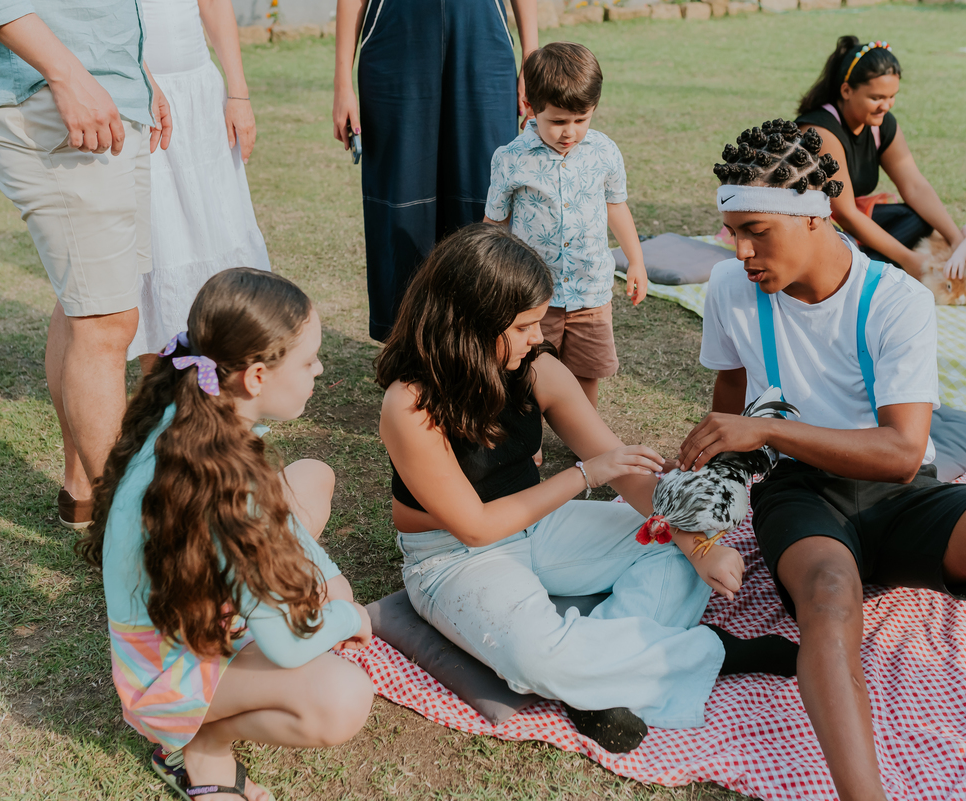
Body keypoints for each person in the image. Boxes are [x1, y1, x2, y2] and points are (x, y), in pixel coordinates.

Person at [686, 119, 966, 801]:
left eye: (758, 230)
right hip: (800, 497)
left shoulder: (893, 298)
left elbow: (903, 454)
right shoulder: (731, 289)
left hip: (897, 490)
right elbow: (726, 422)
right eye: (733, 231)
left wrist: (764, 430)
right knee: (829, 592)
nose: (742, 249)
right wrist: (694, 510)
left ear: (815, 219)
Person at [376, 223, 798, 754]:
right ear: (474, 322)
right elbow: (475, 525)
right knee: (537, 658)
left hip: (539, 525)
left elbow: (625, 474)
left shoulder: (538, 369)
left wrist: (700, 545)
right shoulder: (410, 404)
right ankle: (709, 652)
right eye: (526, 325)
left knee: (673, 547)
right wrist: (583, 474)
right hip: (453, 556)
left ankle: (592, 684)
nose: (539, 336)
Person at [78, 268, 374, 801]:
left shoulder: (195, 415)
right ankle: (194, 745)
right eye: (309, 361)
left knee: (312, 476)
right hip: (166, 675)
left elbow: (277, 520)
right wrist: (350, 615)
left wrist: (330, 577)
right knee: (342, 695)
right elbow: (287, 646)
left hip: (193, 612)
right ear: (256, 377)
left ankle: (210, 706)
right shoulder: (226, 492)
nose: (320, 369)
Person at [0, 0, 171, 530]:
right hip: (48, 85)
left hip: (104, 82)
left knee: (91, 301)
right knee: (105, 319)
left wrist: (137, 76)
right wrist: (68, 74)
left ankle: (84, 492)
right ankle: (130, 541)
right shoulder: (62, 76)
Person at [331, 0, 539, 342]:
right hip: (396, 34)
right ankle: (408, 355)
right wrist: (342, 83)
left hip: (483, 33)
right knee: (400, 201)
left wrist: (530, 54)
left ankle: (482, 350)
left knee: (483, 201)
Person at [484, 42, 648, 409]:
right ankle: (531, 438)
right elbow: (494, 222)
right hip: (535, 293)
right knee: (530, 367)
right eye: (557, 121)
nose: (570, 131)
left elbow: (616, 206)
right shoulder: (511, 159)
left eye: (581, 119)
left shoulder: (604, 151)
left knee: (587, 369)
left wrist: (635, 261)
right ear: (530, 108)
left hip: (590, 288)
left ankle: (583, 436)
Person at [129, 0, 271, 369]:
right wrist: (139, 79)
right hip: (139, 94)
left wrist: (238, 93)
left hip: (200, 92)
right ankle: (166, 391)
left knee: (221, 228)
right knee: (162, 243)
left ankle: (224, 376)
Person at [795, 37, 962, 278]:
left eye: (891, 96)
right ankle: (859, 268)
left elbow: (915, 186)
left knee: (919, 219)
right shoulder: (821, 131)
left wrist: (958, 240)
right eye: (876, 98)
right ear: (847, 90)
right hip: (812, 226)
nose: (886, 106)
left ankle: (865, 266)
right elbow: (844, 213)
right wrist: (910, 259)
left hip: (847, 226)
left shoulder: (880, 124)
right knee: (844, 248)